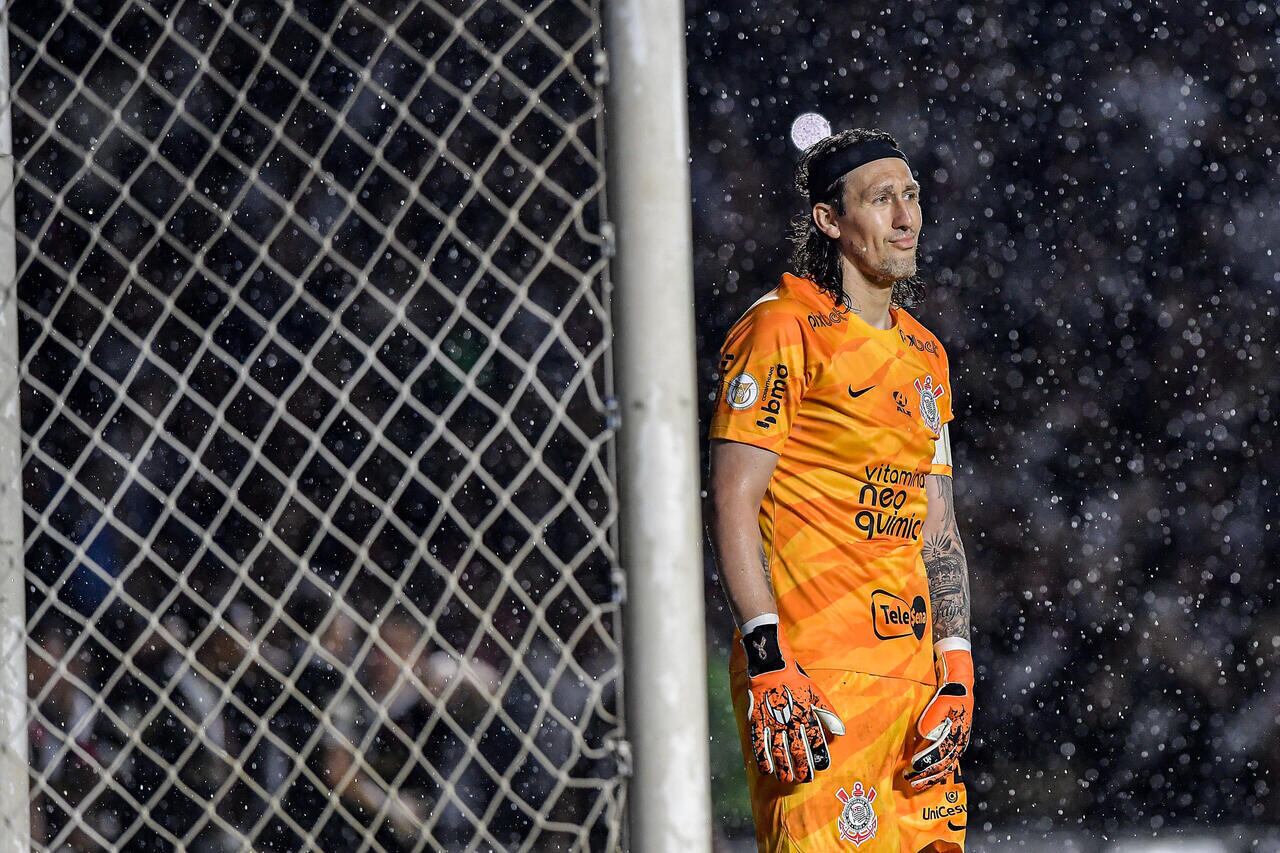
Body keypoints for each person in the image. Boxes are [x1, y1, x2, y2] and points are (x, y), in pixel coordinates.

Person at [708, 127, 975, 852]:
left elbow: (938, 526)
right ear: (830, 220)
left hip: (915, 689)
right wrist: (766, 656)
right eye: (882, 198)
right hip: (814, 682)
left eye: (912, 196)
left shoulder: (926, 354)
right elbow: (732, 498)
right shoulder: (781, 327)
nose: (906, 216)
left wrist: (956, 662)